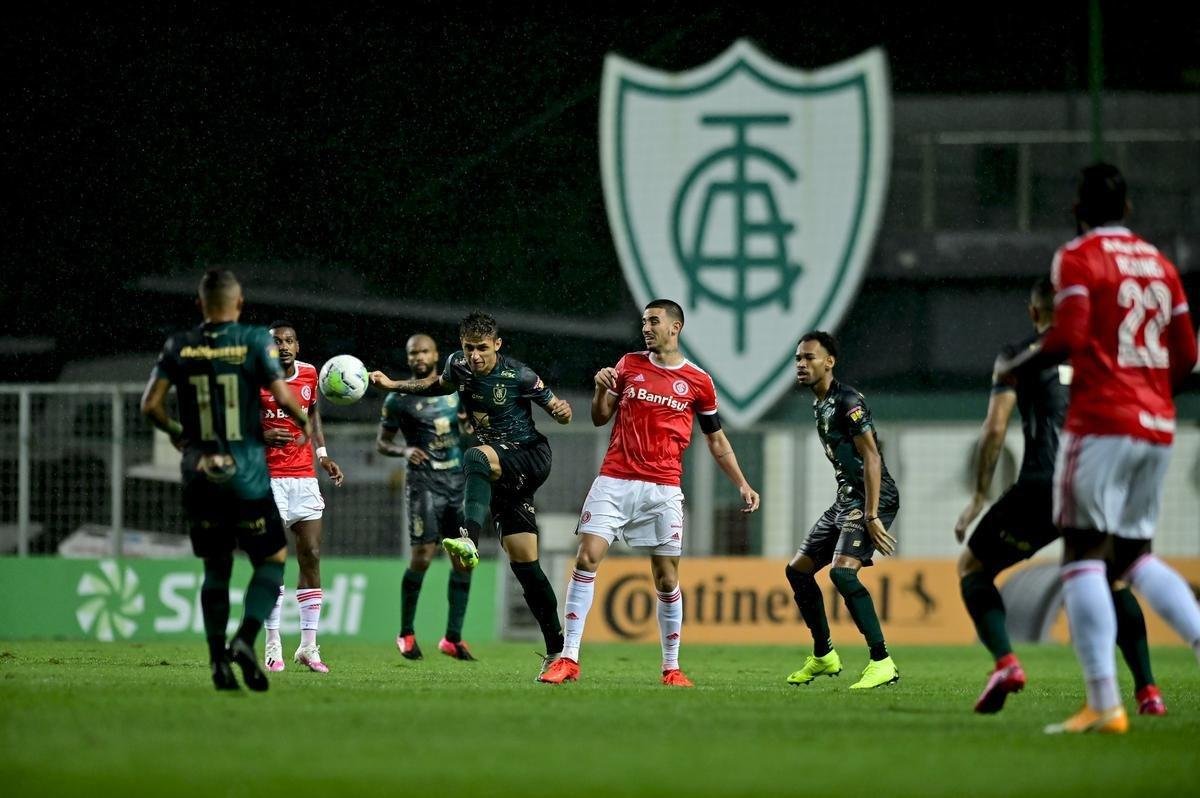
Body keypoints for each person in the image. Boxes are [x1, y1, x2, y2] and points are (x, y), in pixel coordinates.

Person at [997, 163, 1199, 735]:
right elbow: (1185, 353)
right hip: (1156, 424)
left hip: (1102, 422)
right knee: (1135, 556)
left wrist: (1020, 363)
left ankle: (1104, 704)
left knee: (1083, 557)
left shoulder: (1077, 257)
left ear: (1076, 210)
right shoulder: (1161, 265)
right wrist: (1152, 389)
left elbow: (1069, 336)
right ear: (1128, 208)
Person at [955, 279, 1164, 715]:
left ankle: (1007, 663)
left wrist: (978, 496)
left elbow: (995, 429)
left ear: (1034, 313)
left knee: (973, 567)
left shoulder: (1020, 355)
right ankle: (1148, 692)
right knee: (1112, 576)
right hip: (1098, 483)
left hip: (1042, 485)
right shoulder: (1101, 352)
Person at [539, 300, 760, 687]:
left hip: (663, 489)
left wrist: (741, 482)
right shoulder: (628, 365)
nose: (646, 327)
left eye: (654, 321)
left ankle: (671, 668)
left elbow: (717, 441)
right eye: (643, 321)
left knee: (665, 577)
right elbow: (599, 417)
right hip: (615, 479)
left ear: (676, 327)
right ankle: (569, 658)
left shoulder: (698, 381)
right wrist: (599, 389)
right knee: (588, 557)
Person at [369, 312, 573, 678]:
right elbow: (436, 386)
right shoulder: (458, 367)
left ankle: (469, 540)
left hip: (529, 455)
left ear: (497, 345)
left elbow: (558, 409)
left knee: (475, 455)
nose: (475, 355)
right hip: (500, 473)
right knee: (525, 566)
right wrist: (393, 385)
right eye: (468, 348)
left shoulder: (518, 374)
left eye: (482, 348)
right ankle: (559, 651)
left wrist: (561, 411)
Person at [140, 269, 313, 691]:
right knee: (271, 560)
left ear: (200, 305)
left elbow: (150, 406)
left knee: (215, 570)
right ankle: (245, 639)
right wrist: (302, 420)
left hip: (200, 472)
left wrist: (183, 434)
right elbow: (285, 394)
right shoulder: (254, 340)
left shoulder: (178, 346)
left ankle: (218, 661)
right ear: (238, 304)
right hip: (248, 473)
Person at [784, 331, 901, 689]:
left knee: (843, 574)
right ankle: (824, 655)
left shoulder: (848, 400)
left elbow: (872, 456)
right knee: (798, 571)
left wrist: (870, 514)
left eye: (810, 358)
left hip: (872, 497)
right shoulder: (820, 403)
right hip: (846, 497)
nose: (802, 365)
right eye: (798, 359)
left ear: (829, 362)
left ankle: (882, 662)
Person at [377, 333, 477, 661]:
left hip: (456, 483)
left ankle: (453, 638)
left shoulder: (455, 391)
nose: (419, 357)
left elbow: (471, 429)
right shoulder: (398, 399)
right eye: (413, 353)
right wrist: (405, 450)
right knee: (422, 555)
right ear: (408, 359)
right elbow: (382, 443)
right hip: (423, 484)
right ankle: (405, 633)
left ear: (436, 355)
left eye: (424, 351)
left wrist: (469, 430)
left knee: (463, 559)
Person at [259, 321, 344, 674]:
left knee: (310, 554)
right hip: (266, 479)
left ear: (298, 345)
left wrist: (322, 454)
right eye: (277, 341)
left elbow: (313, 414)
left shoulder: (310, 374)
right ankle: (272, 643)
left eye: (290, 340)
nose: (284, 346)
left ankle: (308, 647)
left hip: (303, 478)